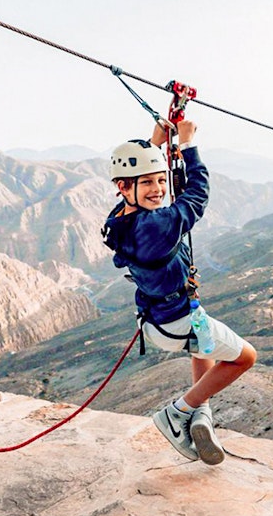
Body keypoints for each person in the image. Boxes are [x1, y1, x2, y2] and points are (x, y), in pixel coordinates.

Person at [101, 118, 257, 465]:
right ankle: (178, 412)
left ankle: (201, 415)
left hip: (156, 319)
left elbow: (139, 181)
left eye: (161, 180)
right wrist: (188, 144)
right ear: (123, 187)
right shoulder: (156, 225)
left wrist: (155, 143)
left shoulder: (119, 219)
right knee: (245, 357)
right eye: (148, 183)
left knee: (204, 349)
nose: (158, 189)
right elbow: (197, 195)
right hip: (177, 320)